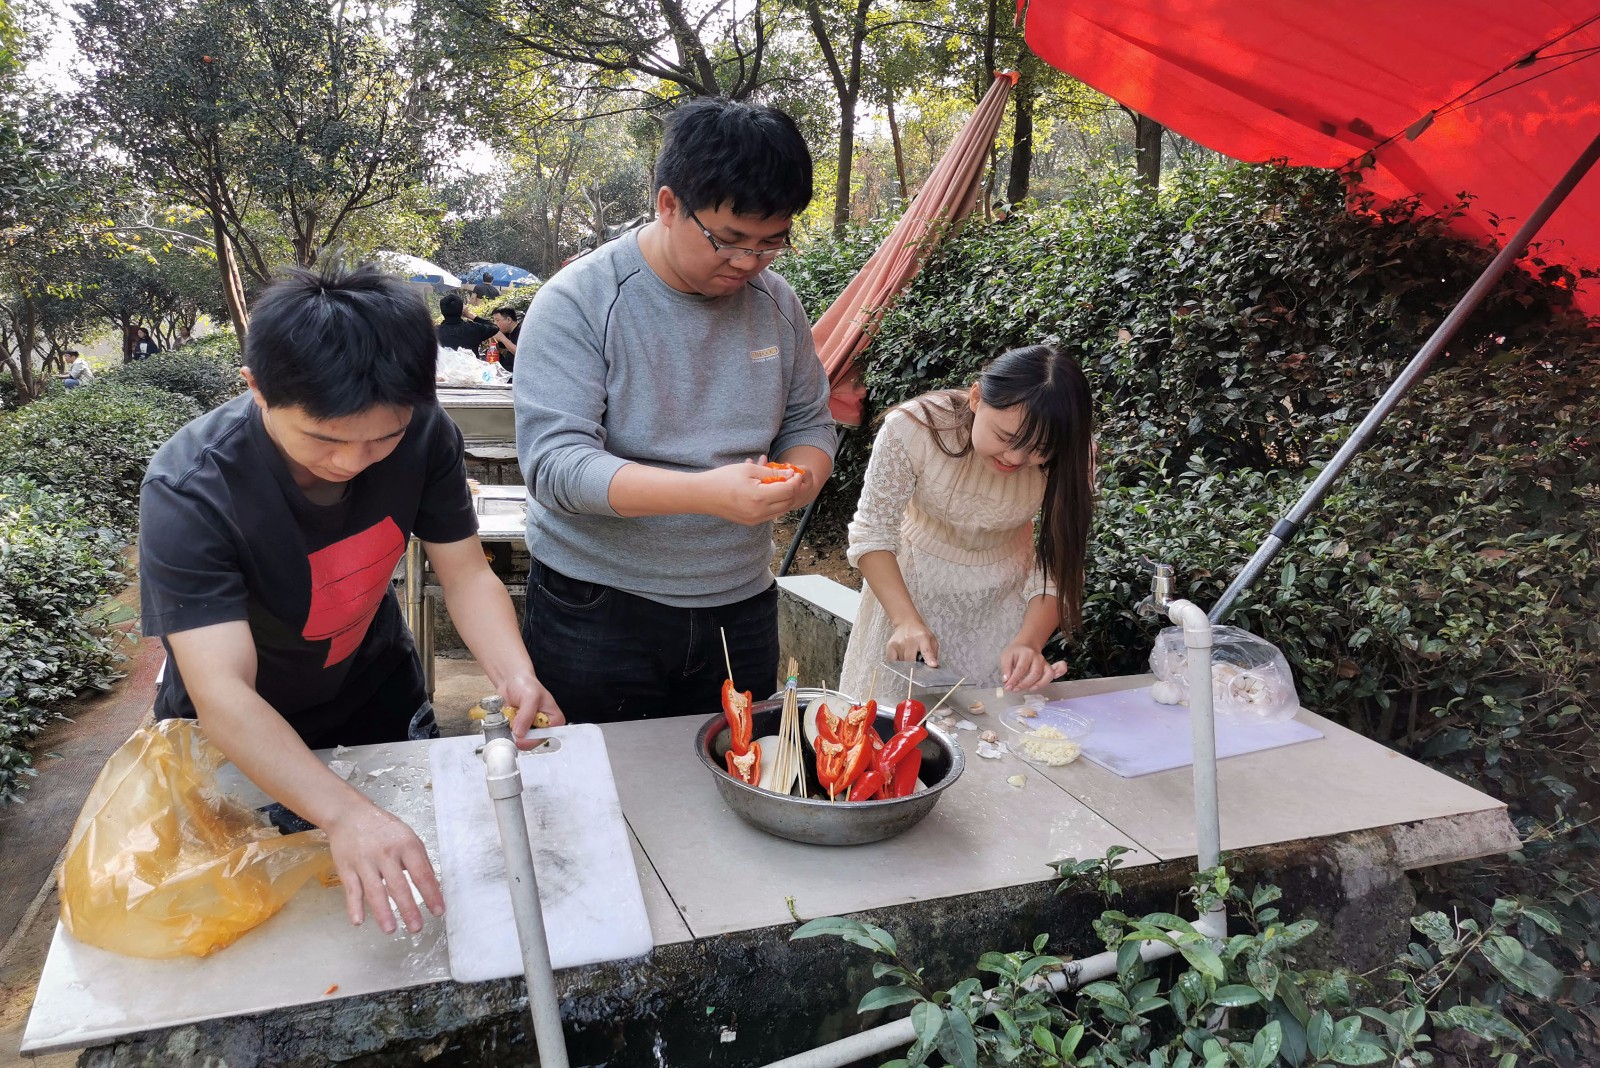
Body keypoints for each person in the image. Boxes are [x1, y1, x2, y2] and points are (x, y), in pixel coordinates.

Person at [138, 264, 564, 936]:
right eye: (325, 439)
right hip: (236, 737)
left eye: (382, 438)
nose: (353, 462)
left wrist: (514, 673)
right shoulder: (192, 488)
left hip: (374, 696)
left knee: (412, 898)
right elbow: (223, 692)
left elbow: (465, 573)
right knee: (267, 924)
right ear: (256, 389)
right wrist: (343, 814)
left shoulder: (424, 432)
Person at [516, 96, 837, 723]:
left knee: (736, 770)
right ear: (669, 205)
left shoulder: (776, 304)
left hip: (741, 603)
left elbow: (808, 421)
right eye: (729, 239)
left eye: (771, 243)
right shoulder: (580, 301)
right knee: (603, 778)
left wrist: (800, 477)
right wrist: (704, 494)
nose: (747, 262)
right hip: (598, 606)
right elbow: (556, 467)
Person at [838, 344, 1096, 705]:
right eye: (1006, 437)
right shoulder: (914, 428)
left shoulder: (1074, 456)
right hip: (907, 591)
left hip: (1001, 610)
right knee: (884, 720)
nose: (1015, 457)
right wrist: (905, 621)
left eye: (1039, 449)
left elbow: (1059, 561)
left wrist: (1029, 642)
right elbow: (872, 532)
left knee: (986, 725)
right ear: (976, 398)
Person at [489, 307, 521, 373]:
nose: (495, 323)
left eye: (497, 320)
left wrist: (502, 338)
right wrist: (492, 339)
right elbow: (496, 352)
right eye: (494, 320)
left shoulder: (521, 331)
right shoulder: (505, 332)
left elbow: (520, 353)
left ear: (509, 320)